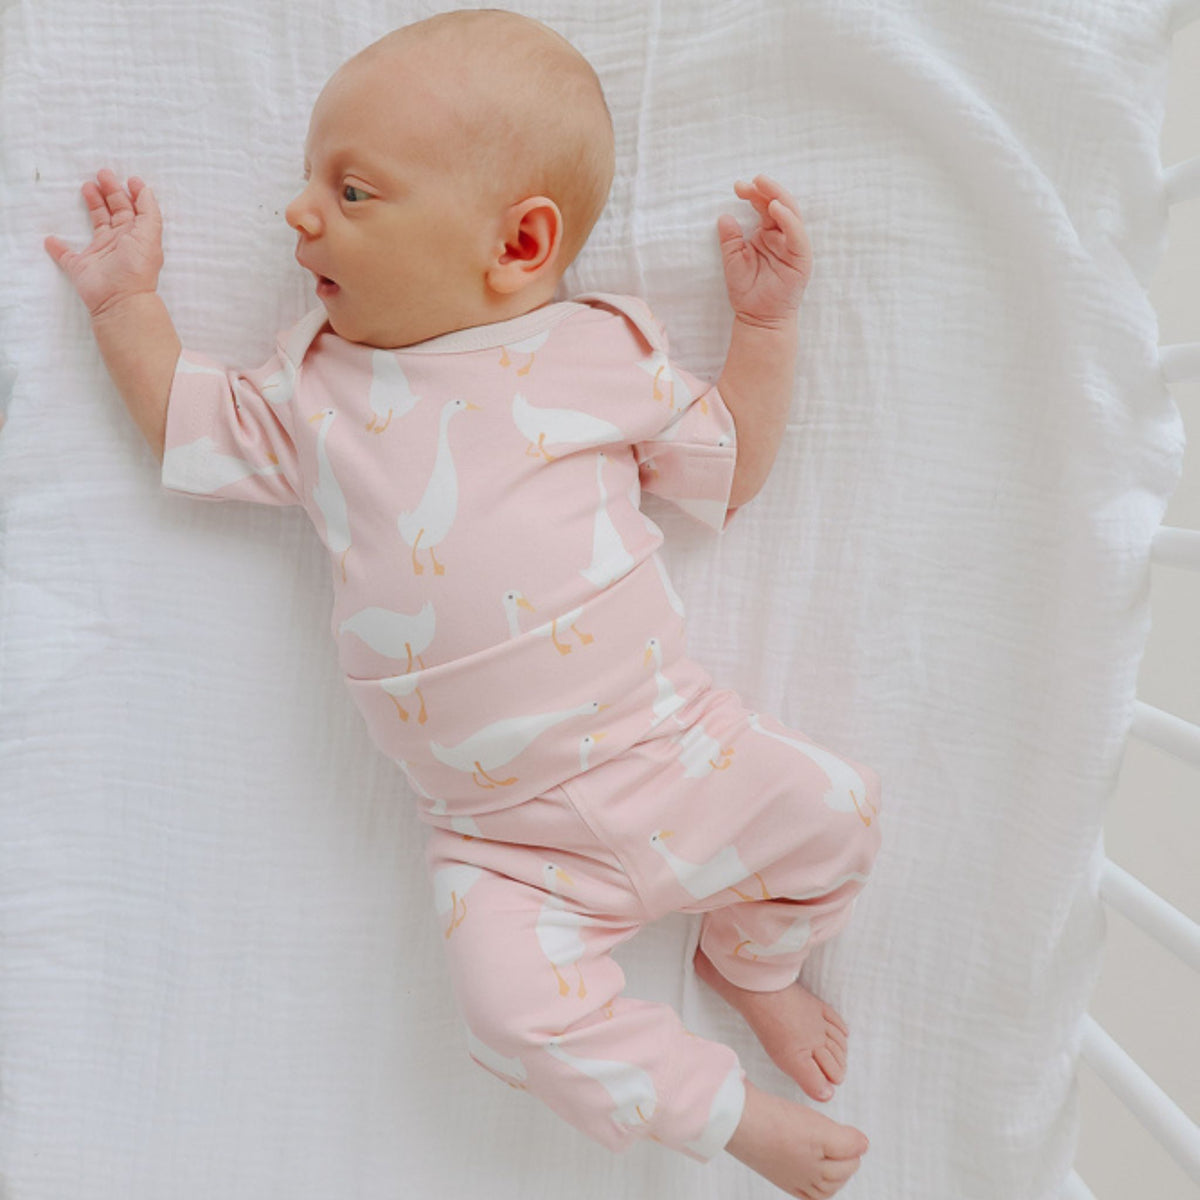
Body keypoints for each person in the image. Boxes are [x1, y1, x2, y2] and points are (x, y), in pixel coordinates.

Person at [45, 9, 881, 1196]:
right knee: (507, 1014)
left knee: (843, 818)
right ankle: (726, 1115)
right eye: (309, 183)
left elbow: (728, 471)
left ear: (521, 241)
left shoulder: (598, 354)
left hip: (669, 751)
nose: (298, 214)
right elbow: (191, 426)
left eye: (351, 190)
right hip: (502, 841)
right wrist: (125, 306)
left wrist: (763, 326)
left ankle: (752, 962)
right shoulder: (316, 388)